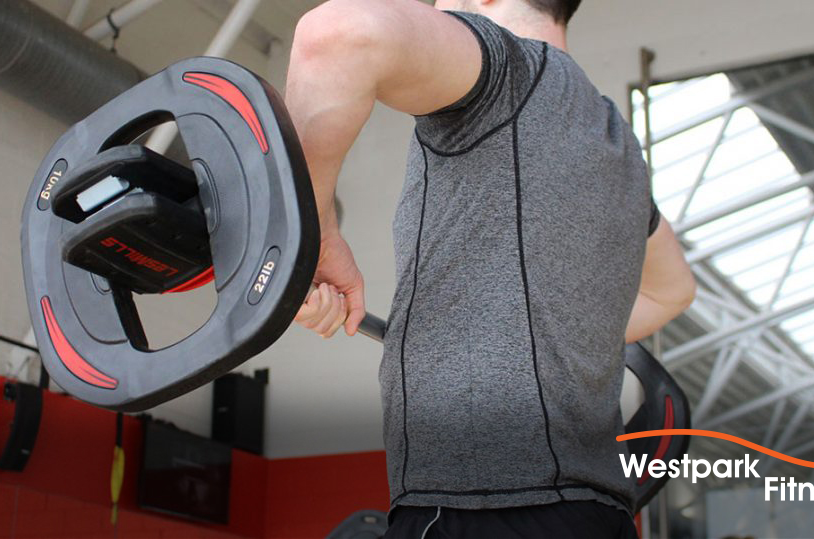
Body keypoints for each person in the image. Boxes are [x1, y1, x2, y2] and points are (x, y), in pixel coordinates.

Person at [287, 0, 695, 536]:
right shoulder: (618, 146)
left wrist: (309, 237)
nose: (435, 8)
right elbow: (675, 291)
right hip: (602, 517)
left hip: (484, 507)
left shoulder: (510, 73)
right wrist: (548, 338)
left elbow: (335, 34)